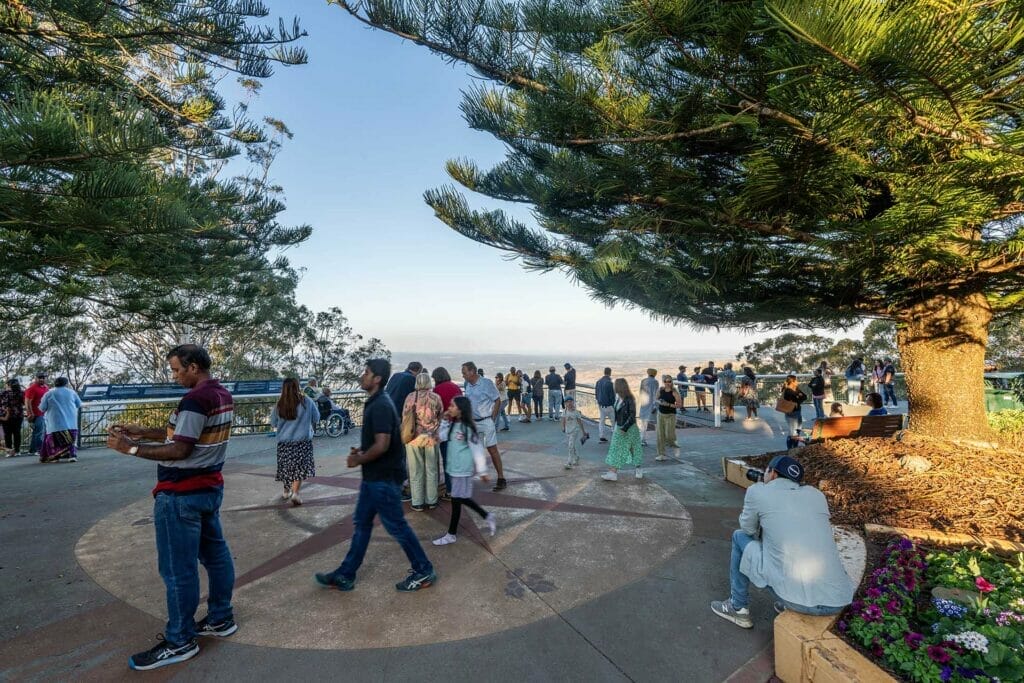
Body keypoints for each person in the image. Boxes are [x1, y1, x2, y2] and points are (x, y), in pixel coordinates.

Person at [106, 345, 237, 671]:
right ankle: (221, 618)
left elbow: (179, 450)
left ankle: (180, 640)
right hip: (208, 489)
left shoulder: (194, 399)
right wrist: (145, 432)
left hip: (180, 495)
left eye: (177, 370)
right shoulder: (220, 394)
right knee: (216, 556)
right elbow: (187, 434)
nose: (174, 375)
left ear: (193, 367)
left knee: (178, 570)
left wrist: (130, 447)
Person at [315, 359, 436, 593]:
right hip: (373, 479)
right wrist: (361, 452)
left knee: (397, 526)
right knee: (362, 524)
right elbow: (378, 443)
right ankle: (346, 574)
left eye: (367, 373)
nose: (363, 376)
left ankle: (423, 569)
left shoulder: (380, 404)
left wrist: (358, 459)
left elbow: (382, 445)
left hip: (383, 479)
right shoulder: (376, 402)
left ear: (377, 379)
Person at [710, 454, 854, 628]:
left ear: (772, 474)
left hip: (798, 601)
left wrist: (759, 496)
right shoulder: (816, 495)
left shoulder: (758, 492)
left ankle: (737, 607)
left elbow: (748, 530)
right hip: (839, 600)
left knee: (739, 536)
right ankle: (789, 599)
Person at [432, 396, 496, 546]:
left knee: (456, 500)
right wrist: (445, 420)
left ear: (460, 410)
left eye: (453, 406)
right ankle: (487, 516)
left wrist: (482, 471)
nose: (450, 408)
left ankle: (451, 534)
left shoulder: (467, 429)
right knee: (461, 498)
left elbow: (478, 450)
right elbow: (440, 437)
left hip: (462, 470)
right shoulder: (453, 426)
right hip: (454, 469)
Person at [271, 378, 318, 506]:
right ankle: (295, 493)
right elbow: (316, 417)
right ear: (298, 387)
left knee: (286, 467)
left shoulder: (279, 404)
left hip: (284, 443)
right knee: (299, 467)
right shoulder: (307, 401)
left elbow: (273, 423)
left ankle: (286, 491)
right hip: (303, 441)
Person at [461, 362, 507, 492]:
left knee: (492, 450)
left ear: (472, 371)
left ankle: (501, 478)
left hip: (486, 421)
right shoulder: (468, 385)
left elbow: (497, 399)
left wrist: (492, 418)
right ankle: (466, 479)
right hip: (473, 422)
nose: (462, 375)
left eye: (464, 372)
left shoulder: (486, 383)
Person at [403, 372, 443, 511]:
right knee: (432, 470)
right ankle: (431, 500)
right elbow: (441, 416)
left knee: (415, 470)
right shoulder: (436, 397)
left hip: (413, 439)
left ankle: (417, 502)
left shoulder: (410, 397)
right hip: (431, 437)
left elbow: (405, 417)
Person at [602, 378, 644, 481]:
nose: (613, 387)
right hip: (620, 427)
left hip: (628, 429)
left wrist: (624, 428)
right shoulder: (618, 398)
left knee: (633, 449)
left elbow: (632, 415)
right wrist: (616, 426)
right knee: (616, 448)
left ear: (619, 387)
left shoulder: (629, 399)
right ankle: (613, 472)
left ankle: (637, 468)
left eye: (615, 386)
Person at [431, 367, 463, 497]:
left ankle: (450, 490)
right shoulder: (456, 388)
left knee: (446, 459)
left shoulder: (436, 390)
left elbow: (435, 411)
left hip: (445, 427)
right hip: (458, 426)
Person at [37, 377, 83, 463]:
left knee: (53, 440)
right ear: (66, 384)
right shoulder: (72, 392)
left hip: (54, 422)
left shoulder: (49, 393)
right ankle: (72, 455)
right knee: (71, 439)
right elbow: (78, 404)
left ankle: (55, 456)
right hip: (71, 421)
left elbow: (42, 408)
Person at [655, 375, 681, 461]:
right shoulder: (661, 390)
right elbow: (656, 399)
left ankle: (675, 446)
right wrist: (660, 402)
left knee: (669, 435)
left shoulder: (674, 392)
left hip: (670, 415)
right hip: (660, 414)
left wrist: (669, 404)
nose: (667, 383)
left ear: (671, 382)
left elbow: (679, 405)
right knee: (660, 435)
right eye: (665, 381)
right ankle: (661, 454)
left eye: (669, 381)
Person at [24, 372, 48, 457]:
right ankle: (39, 449)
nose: (41, 379)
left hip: (44, 413)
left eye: (43, 377)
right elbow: (27, 402)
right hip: (36, 414)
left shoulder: (46, 387)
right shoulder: (32, 388)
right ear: (36, 378)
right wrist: (30, 413)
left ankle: (32, 450)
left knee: (37, 432)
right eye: (39, 377)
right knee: (39, 433)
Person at [561, 396, 589, 469]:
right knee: (573, 445)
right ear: (565, 403)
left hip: (575, 430)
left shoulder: (576, 412)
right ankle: (577, 458)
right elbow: (563, 420)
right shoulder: (564, 411)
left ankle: (569, 462)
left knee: (570, 446)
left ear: (573, 402)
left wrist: (583, 432)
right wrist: (563, 427)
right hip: (568, 431)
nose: (569, 403)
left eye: (571, 401)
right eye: (567, 402)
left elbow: (580, 422)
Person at [1, 379, 25, 457]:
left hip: (6, 416)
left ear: (8, 385)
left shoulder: (3, 393)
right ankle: (17, 450)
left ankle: (9, 451)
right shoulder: (21, 393)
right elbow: (24, 403)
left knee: (7, 434)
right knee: (17, 433)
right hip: (18, 415)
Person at [780, 375, 807, 443]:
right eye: (796, 380)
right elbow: (797, 399)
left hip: (797, 411)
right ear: (792, 382)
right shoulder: (788, 391)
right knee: (793, 433)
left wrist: (798, 397)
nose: (797, 382)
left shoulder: (796, 389)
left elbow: (804, 397)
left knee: (798, 430)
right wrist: (798, 396)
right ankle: (791, 449)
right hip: (791, 413)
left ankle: (795, 446)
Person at [595, 367, 616, 442]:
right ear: (610, 373)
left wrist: (598, 402)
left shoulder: (598, 382)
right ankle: (615, 436)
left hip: (601, 405)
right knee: (613, 421)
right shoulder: (610, 383)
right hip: (609, 406)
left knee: (602, 421)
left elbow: (596, 394)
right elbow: (612, 396)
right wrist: (614, 405)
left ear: (604, 372)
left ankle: (601, 436)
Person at [639, 368, 659, 446]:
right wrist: (655, 405)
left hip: (644, 404)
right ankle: (659, 439)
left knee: (643, 424)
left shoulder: (643, 381)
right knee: (657, 423)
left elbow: (641, 393)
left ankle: (642, 440)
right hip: (652, 405)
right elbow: (655, 394)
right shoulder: (655, 382)